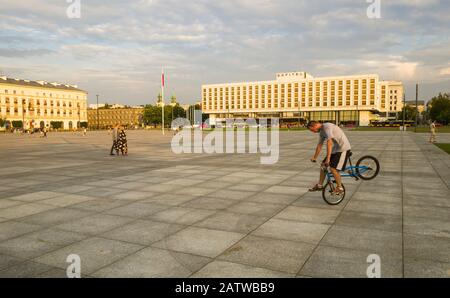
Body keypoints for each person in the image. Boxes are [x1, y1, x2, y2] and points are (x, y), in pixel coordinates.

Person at [307, 121, 352, 194]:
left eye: (312, 130)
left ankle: (340, 188)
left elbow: (329, 142)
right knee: (323, 166)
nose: (313, 132)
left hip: (343, 148)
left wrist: (328, 158)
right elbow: (319, 145)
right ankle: (320, 185)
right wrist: (314, 157)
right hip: (336, 149)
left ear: (315, 125)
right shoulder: (321, 132)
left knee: (333, 168)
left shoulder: (327, 127)